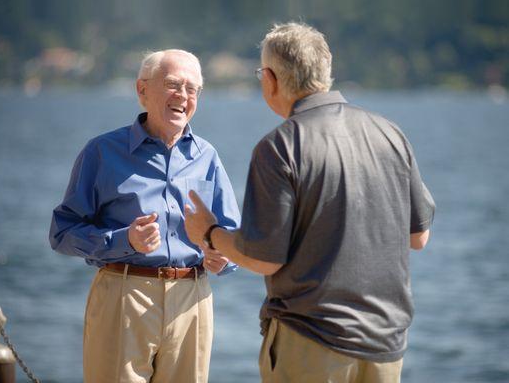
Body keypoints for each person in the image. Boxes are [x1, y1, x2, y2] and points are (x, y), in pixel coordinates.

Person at [184, 22, 436, 383]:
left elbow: (263, 258)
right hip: (386, 343)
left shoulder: (280, 146)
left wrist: (209, 232)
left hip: (311, 343)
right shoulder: (390, 133)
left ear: (270, 79)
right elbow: (418, 237)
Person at [49, 49, 240, 383]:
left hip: (192, 299)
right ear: (142, 90)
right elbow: (62, 233)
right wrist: (124, 240)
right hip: (124, 295)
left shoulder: (207, 156)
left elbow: (233, 233)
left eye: (192, 89)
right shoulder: (102, 152)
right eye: (172, 84)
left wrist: (222, 256)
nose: (183, 95)